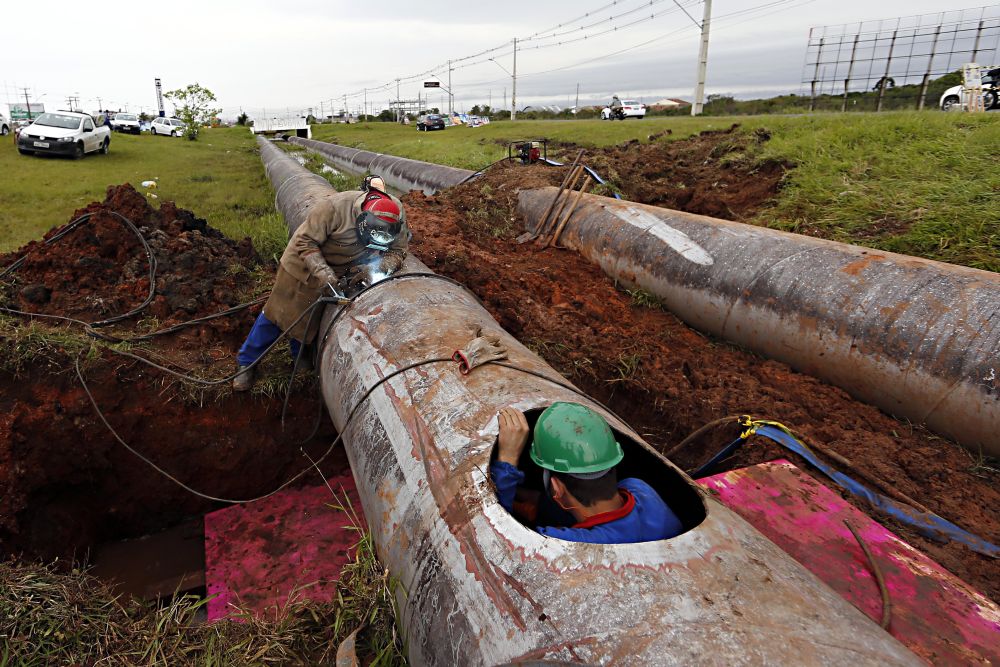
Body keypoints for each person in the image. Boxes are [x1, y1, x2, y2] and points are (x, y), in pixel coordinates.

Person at [233, 176, 407, 391]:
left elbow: (398, 251)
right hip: (305, 263)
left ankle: (299, 355)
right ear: (362, 221)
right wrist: (323, 273)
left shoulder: (397, 213)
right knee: (280, 313)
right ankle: (247, 361)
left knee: (312, 316)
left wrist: (377, 269)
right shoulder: (334, 208)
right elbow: (305, 242)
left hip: (343, 266)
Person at [491, 402, 684, 544]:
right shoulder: (640, 490)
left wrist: (508, 459)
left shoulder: (565, 543)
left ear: (556, 487)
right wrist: (533, 499)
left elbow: (501, 539)